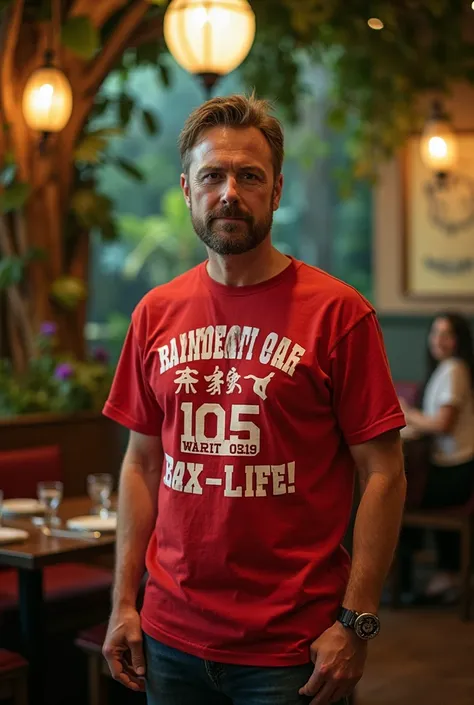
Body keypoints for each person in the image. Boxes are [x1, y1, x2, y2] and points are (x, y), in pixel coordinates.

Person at [101, 93, 407, 705]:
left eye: (250, 176)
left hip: (291, 650)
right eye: (212, 175)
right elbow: (142, 464)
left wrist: (357, 622)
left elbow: (384, 474)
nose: (229, 192)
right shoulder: (155, 314)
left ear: (276, 190)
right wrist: (123, 602)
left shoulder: (339, 315)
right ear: (187, 189)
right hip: (169, 638)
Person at [399, 312, 474, 603]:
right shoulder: (448, 369)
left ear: (459, 340)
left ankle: (404, 583)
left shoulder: (454, 370)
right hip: (452, 466)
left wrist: (407, 413)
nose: (439, 340)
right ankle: (434, 575)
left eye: (447, 334)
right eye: (435, 333)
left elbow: (442, 424)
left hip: (458, 470)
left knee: (397, 498)